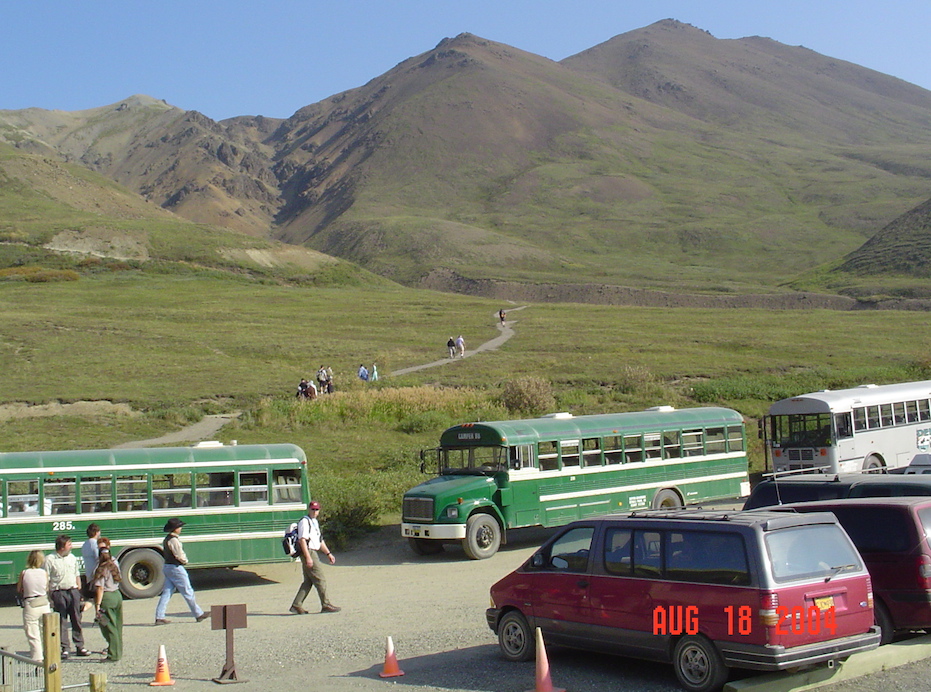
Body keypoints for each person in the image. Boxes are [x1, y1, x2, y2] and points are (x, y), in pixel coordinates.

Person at [155, 518, 210, 625]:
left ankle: (159, 616)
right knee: (187, 591)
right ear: (175, 529)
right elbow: (179, 555)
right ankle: (198, 614)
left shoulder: (167, 539)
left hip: (167, 566)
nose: (180, 529)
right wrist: (185, 561)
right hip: (176, 567)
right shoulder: (174, 540)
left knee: (167, 592)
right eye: (179, 527)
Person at [290, 501, 340, 615]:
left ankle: (296, 605)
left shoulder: (315, 522)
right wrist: (308, 557)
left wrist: (328, 554)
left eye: (316, 509)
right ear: (309, 509)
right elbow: (302, 540)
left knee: (308, 581)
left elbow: (319, 541)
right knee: (320, 579)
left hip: (312, 551)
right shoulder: (304, 521)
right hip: (308, 552)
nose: (314, 511)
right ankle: (326, 604)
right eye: (312, 509)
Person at [46, 534, 89, 658]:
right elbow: (46, 578)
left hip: (73, 591)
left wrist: (79, 590)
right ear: (62, 547)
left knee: (76, 619)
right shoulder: (50, 559)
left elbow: (76, 573)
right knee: (62, 621)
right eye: (69, 544)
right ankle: (65, 648)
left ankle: (80, 646)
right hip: (59, 592)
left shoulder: (72, 558)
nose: (71, 546)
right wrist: (50, 596)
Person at [92, 538, 123, 662]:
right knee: (118, 626)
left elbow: (100, 588)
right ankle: (118, 650)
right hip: (117, 595)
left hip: (107, 597)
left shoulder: (101, 569)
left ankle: (113, 654)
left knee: (108, 627)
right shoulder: (114, 564)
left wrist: (97, 605)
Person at [17, 550, 50, 662]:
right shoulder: (44, 573)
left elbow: (19, 589)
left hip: (31, 603)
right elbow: (47, 588)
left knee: (33, 633)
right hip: (44, 603)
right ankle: (49, 655)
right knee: (46, 631)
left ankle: (37, 658)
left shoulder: (24, 573)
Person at [81, 523, 101, 604]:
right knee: (98, 595)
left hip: (88, 573)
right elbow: (98, 557)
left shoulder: (85, 544)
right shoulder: (95, 544)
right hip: (96, 573)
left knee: (92, 596)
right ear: (96, 532)